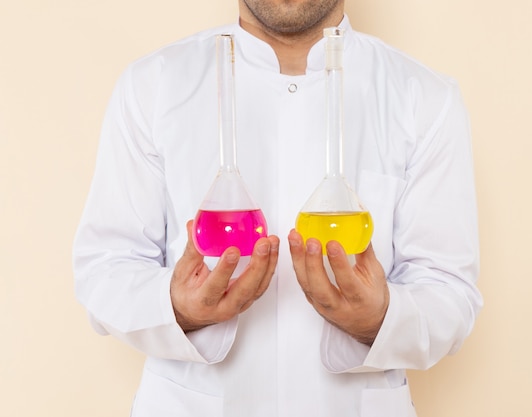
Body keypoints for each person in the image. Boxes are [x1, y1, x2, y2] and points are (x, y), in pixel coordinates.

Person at [73, 0, 483, 416]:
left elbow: (450, 295)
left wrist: (379, 319)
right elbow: (104, 271)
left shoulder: (425, 98)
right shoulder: (153, 85)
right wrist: (177, 309)